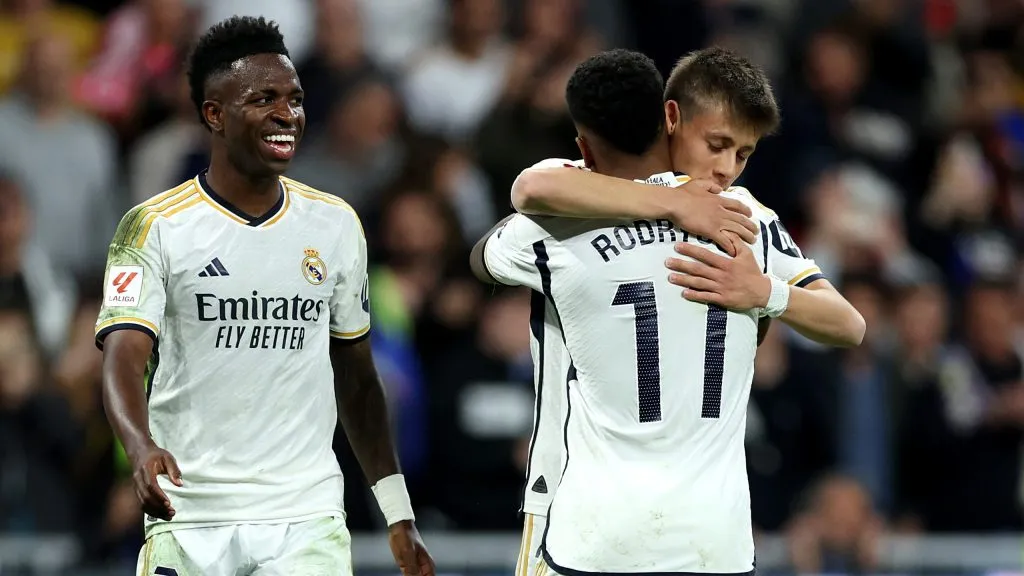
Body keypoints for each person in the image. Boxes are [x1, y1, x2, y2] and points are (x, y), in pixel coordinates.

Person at [472, 48, 864, 574]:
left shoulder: (558, 221)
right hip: (715, 537)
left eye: (742, 154)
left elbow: (502, 228)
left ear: (584, 146)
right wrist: (766, 291)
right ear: (671, 118)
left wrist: (760, 290)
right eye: (718, 145)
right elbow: (849, 324)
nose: (726, 169)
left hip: (589, 519)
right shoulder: (748, 219)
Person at [94, 16, 433, 576]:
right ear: (214, 114)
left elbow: (357, 377)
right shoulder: (154, 226)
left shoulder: (335, 224)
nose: (288, 114)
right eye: (264, 98)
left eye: (295, 99)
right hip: (193, 513)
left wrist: (397, 511)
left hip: (304, 516)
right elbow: (124, 356)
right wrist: (140, 449)